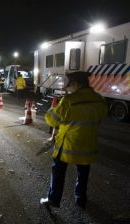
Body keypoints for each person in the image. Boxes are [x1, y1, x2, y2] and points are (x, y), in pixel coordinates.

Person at [40, 71, 108, 209]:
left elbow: (52, 120)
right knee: (83, 173)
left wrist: (52, 110)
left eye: (69, 84)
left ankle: (54, 199)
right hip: (88, 144)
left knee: (58, 171)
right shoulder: (100, 100)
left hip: (68, 145)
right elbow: (101, 118)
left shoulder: (69, 101)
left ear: (76, 83)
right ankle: (80, 199)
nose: (68, 87)